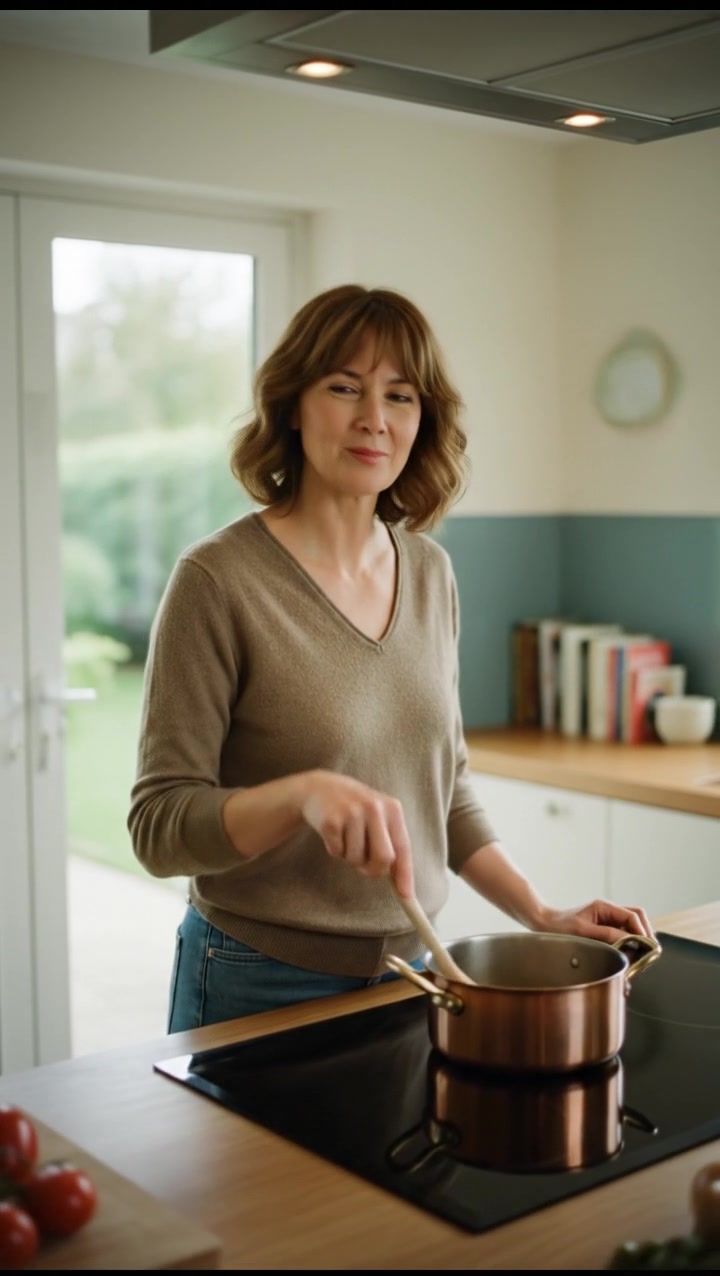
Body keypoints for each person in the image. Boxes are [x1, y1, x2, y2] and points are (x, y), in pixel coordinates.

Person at [127, 283, 654, 1033]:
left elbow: (445, 790)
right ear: (293, 405)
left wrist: (541, 913)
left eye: (400, 396)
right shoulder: (217, 580)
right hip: (254, 977)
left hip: (414, 976)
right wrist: (300, 796)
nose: (374, 418)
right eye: (345, 388)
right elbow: (159, 825)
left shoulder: (431, 572)